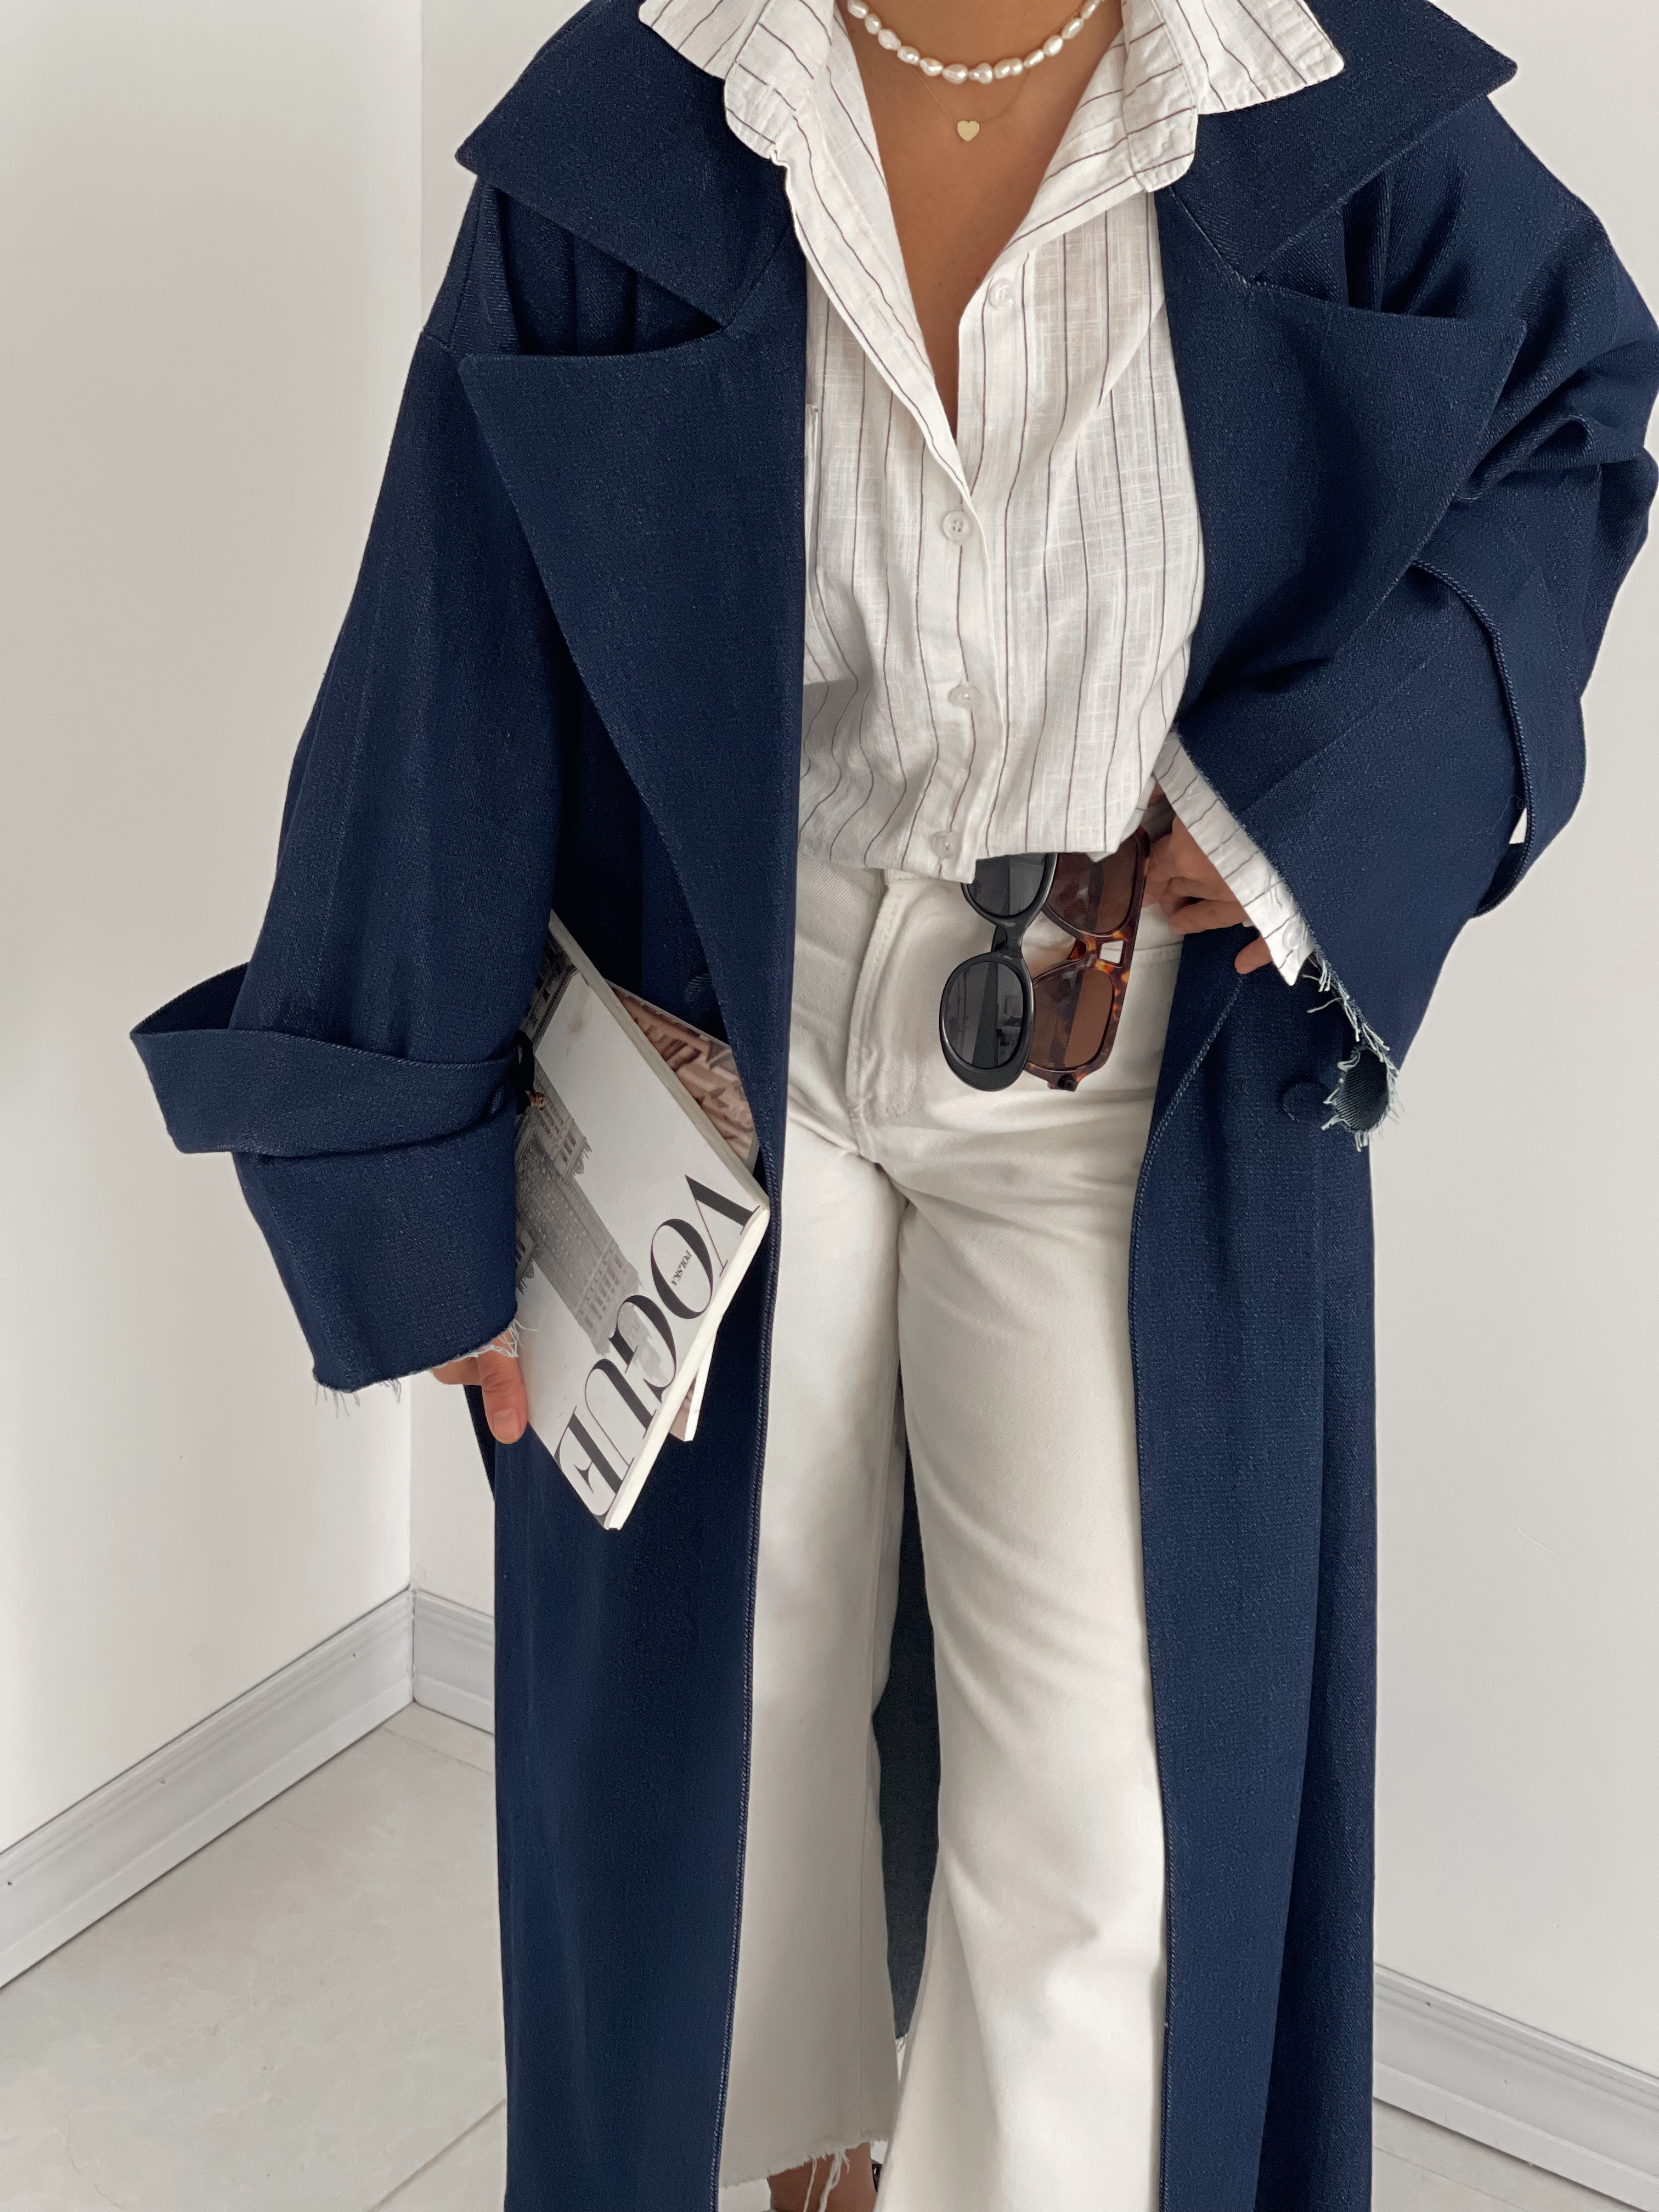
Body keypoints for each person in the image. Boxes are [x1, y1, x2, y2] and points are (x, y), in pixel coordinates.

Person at [133, 0, 1658, 2203]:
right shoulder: (646, 117)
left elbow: (1575, 417)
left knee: (1112, 1810)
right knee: (718, 1730)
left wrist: (1324, 795)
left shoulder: (1316, 94)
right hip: (730, 1021)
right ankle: (789, 2170)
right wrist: (416, 1183)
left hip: (1122, 1037)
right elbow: (450, 647)